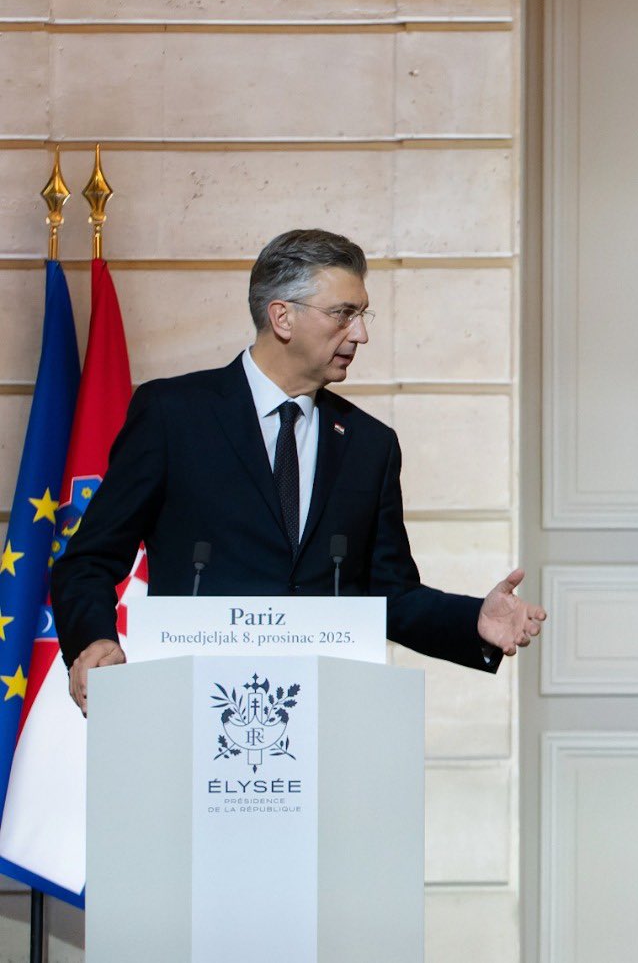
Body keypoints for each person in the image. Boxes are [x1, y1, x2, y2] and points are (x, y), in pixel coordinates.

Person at [52, 228, 545, 712]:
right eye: (344, 314)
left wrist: (473, 622)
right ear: (282, 317)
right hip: (194, 709)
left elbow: (389, 594)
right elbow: (89, 560)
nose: (361, 334)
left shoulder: (370, 445)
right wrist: (93, 640)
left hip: (326, 716)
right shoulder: (173, 414)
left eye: (362, 315)